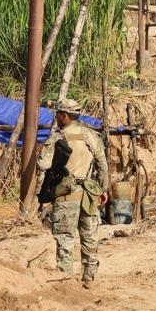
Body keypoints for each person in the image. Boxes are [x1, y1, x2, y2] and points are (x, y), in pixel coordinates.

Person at [36, 97, 108, 286]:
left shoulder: (57, 137)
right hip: (89, 194)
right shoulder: (91, 135)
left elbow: (42, 164)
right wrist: (103, 189)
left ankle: (65, 280)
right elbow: (102, 164)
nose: (56, 117)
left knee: (65, 238)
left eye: (58, 114)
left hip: (66, 195)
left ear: (64, 115)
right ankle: (89, 278)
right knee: (90, 237)